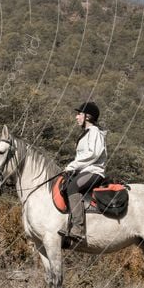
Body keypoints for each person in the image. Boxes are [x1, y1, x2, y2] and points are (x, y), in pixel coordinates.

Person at [59, 101, 107, 245]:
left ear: (87, 116)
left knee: (73, 187)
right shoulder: (86, 134)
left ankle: (78, 229)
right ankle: (68, 223)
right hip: (84, 170)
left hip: (94, 171)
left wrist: (73, 166)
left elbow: (93, 154)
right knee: (64, 185)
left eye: (79, 114)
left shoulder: (95, 133)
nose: (76, 117)